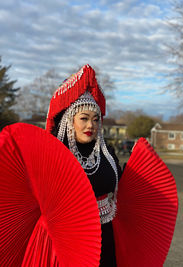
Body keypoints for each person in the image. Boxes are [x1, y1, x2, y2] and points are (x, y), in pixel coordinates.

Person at [46, 64, 122, 266]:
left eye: (96, 120)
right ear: (69, 121)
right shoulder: (53, 155)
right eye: (84, 119)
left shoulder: (108, 155)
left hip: (104, 237)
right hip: (67, 240)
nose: (91, 125)